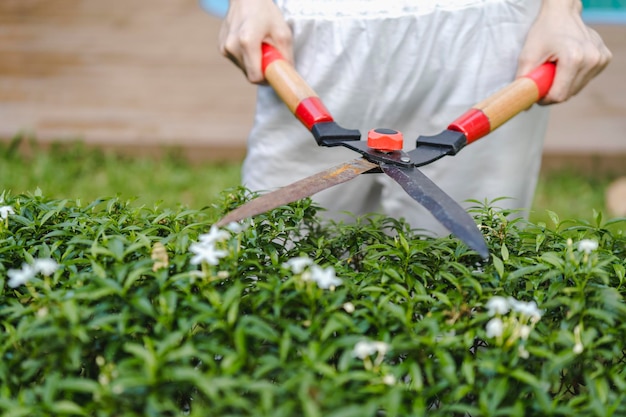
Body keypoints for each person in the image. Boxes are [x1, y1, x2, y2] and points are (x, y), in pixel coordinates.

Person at [218, 0, 611, 236]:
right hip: (316, 24)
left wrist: (563, 9)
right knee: (274, 253)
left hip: (491, 30)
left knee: (463, 282)